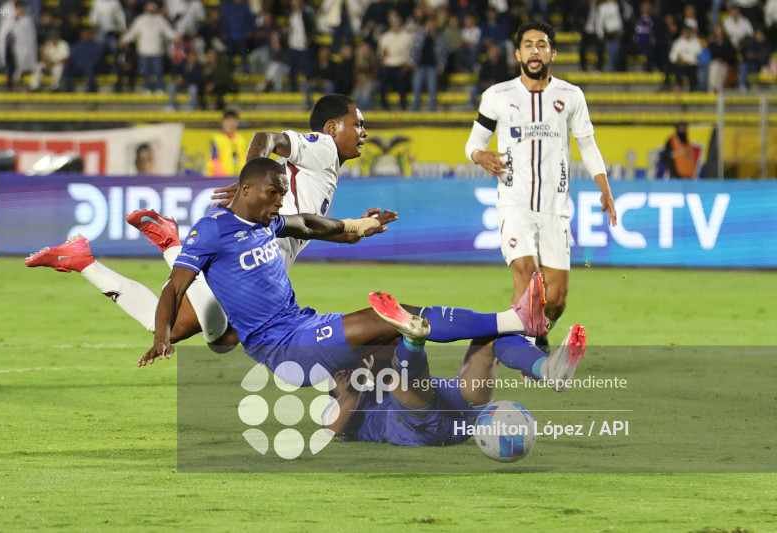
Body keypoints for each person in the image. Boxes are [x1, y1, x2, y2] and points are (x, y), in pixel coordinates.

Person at [25, 95, 395, 358]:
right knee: (210, 337)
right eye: (358, 123)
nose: (364, 131)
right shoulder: (323, 147)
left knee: (201, 334)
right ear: (332, 127)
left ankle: (95, 258)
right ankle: (147, 249)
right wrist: (250, 177)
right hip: (248, 257)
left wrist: (357, 230)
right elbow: (265, 139)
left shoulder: (325, 171)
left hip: (258, 261)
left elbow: (310, 228)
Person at [140, 157, 549, 383]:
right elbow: (175, 289)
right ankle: (516, 319)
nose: (279, 201)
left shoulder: (267, 222)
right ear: (245, 189)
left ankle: (533, 360)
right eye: (273, 192)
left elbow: (309, 224)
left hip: (304, 325)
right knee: (394, 317)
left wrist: (359, 225)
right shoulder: (213, 229)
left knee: (398, 340)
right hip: (284, 348)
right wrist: (162, 338)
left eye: (282, 193)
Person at [464, 22, 617, 352]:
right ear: (518, 55)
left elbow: (587, 144)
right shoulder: (497, 96)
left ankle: (536, 332)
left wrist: (604, 188)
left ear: (553, 53)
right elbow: (473, 144)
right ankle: (525, 353)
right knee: (527, 275)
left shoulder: (571, 96)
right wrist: (480, 155)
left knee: (556, 299)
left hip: (555, 208)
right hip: (514, 202)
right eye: (528, 45)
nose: (535, 50)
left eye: (542, 45)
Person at [325, 312, 587, 445]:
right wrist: (354, 388)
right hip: (416, 427)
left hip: (458, 408)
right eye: (338, 374)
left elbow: (381, 348)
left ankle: (547, 369)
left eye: (345, 366)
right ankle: (413, 341)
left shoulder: (377, 371)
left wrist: (364, 356)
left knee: (489, 338)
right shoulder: (337, 407)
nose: (345, 371)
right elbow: (332, 428)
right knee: (398, 377)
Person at [205, 109, 247, 178]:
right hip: (219, 179)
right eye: (229, 121)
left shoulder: (241, 140)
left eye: (234, 121)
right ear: (223, 122)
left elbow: (244, 160)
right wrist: (224, 178)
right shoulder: (216, 139)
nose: (231, 124)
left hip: (238, 179)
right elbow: (214, 160)